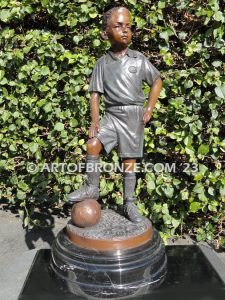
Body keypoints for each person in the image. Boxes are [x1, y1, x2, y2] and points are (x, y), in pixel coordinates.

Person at [67, 6, 163, 223]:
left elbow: (156, 80)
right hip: (111, 115)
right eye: (118, 26)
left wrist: (149, 108)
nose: (125, 30)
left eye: (128, 26)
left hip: (133, 115)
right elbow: (95, 94)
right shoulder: (102, 63)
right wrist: (94, 121)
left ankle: (129, 203)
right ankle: (92, 188)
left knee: (129, 161)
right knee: (93, 144)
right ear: (105, 33)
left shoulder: (138, 59)